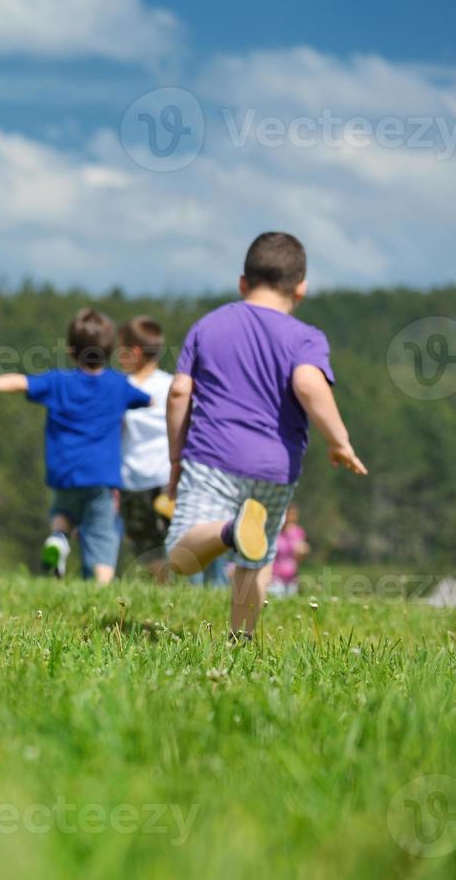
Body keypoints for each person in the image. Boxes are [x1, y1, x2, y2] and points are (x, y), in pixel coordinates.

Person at [164, 232, 367, 638]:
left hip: (213, 457)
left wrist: (175, 457)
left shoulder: (209, 325)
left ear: (243, 282)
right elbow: (309, 385)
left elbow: (179, 391)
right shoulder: (304, 337)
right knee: (256, 557)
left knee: (181, 556)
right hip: (275, 467)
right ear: (301, 289)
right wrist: (339, 441)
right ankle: (241, 638)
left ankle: (228, 530)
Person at [0, 309, 150, 584]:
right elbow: (151, 400)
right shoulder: (118, 386)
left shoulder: (59, 382)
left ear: (71, 350)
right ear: (110, 350)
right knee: (102, 534)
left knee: (63, 513)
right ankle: (101, 587)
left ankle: (58, 538)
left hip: (64, 472)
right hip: (101, 477)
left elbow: (19, 381)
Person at [116, 316, 175, 583]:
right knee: (178, 539)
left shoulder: (121, 388)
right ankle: (181, 589)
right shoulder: (173, 385)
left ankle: (166, 588)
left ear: (135, 352)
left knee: (146, 544)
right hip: (168, 478)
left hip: (134, 479)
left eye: (122, 349)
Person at [269, 502, 310, 597]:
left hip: (292, 578)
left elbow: (299, 558)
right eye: (289, 514)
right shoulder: (274, 532)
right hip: (275, 578)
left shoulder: (298, 532)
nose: (291, 518)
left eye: (293, 515)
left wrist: (303, 552)